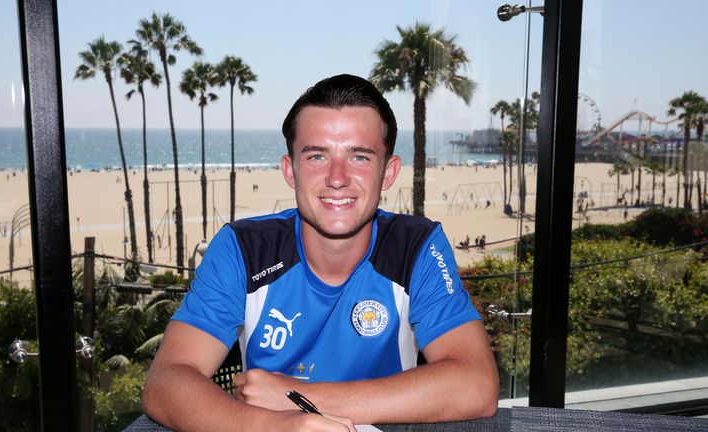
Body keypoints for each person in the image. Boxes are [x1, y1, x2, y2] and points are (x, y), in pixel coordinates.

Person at [143, 74, 498, 431]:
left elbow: (476, 384)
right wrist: (276, 427)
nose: (337, 177)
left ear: (388, 173)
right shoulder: (243, 248)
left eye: (359, 157)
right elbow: (167, 381)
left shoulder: (416, 247)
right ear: (290, 170)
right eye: (316, 156)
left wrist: (300, 396)